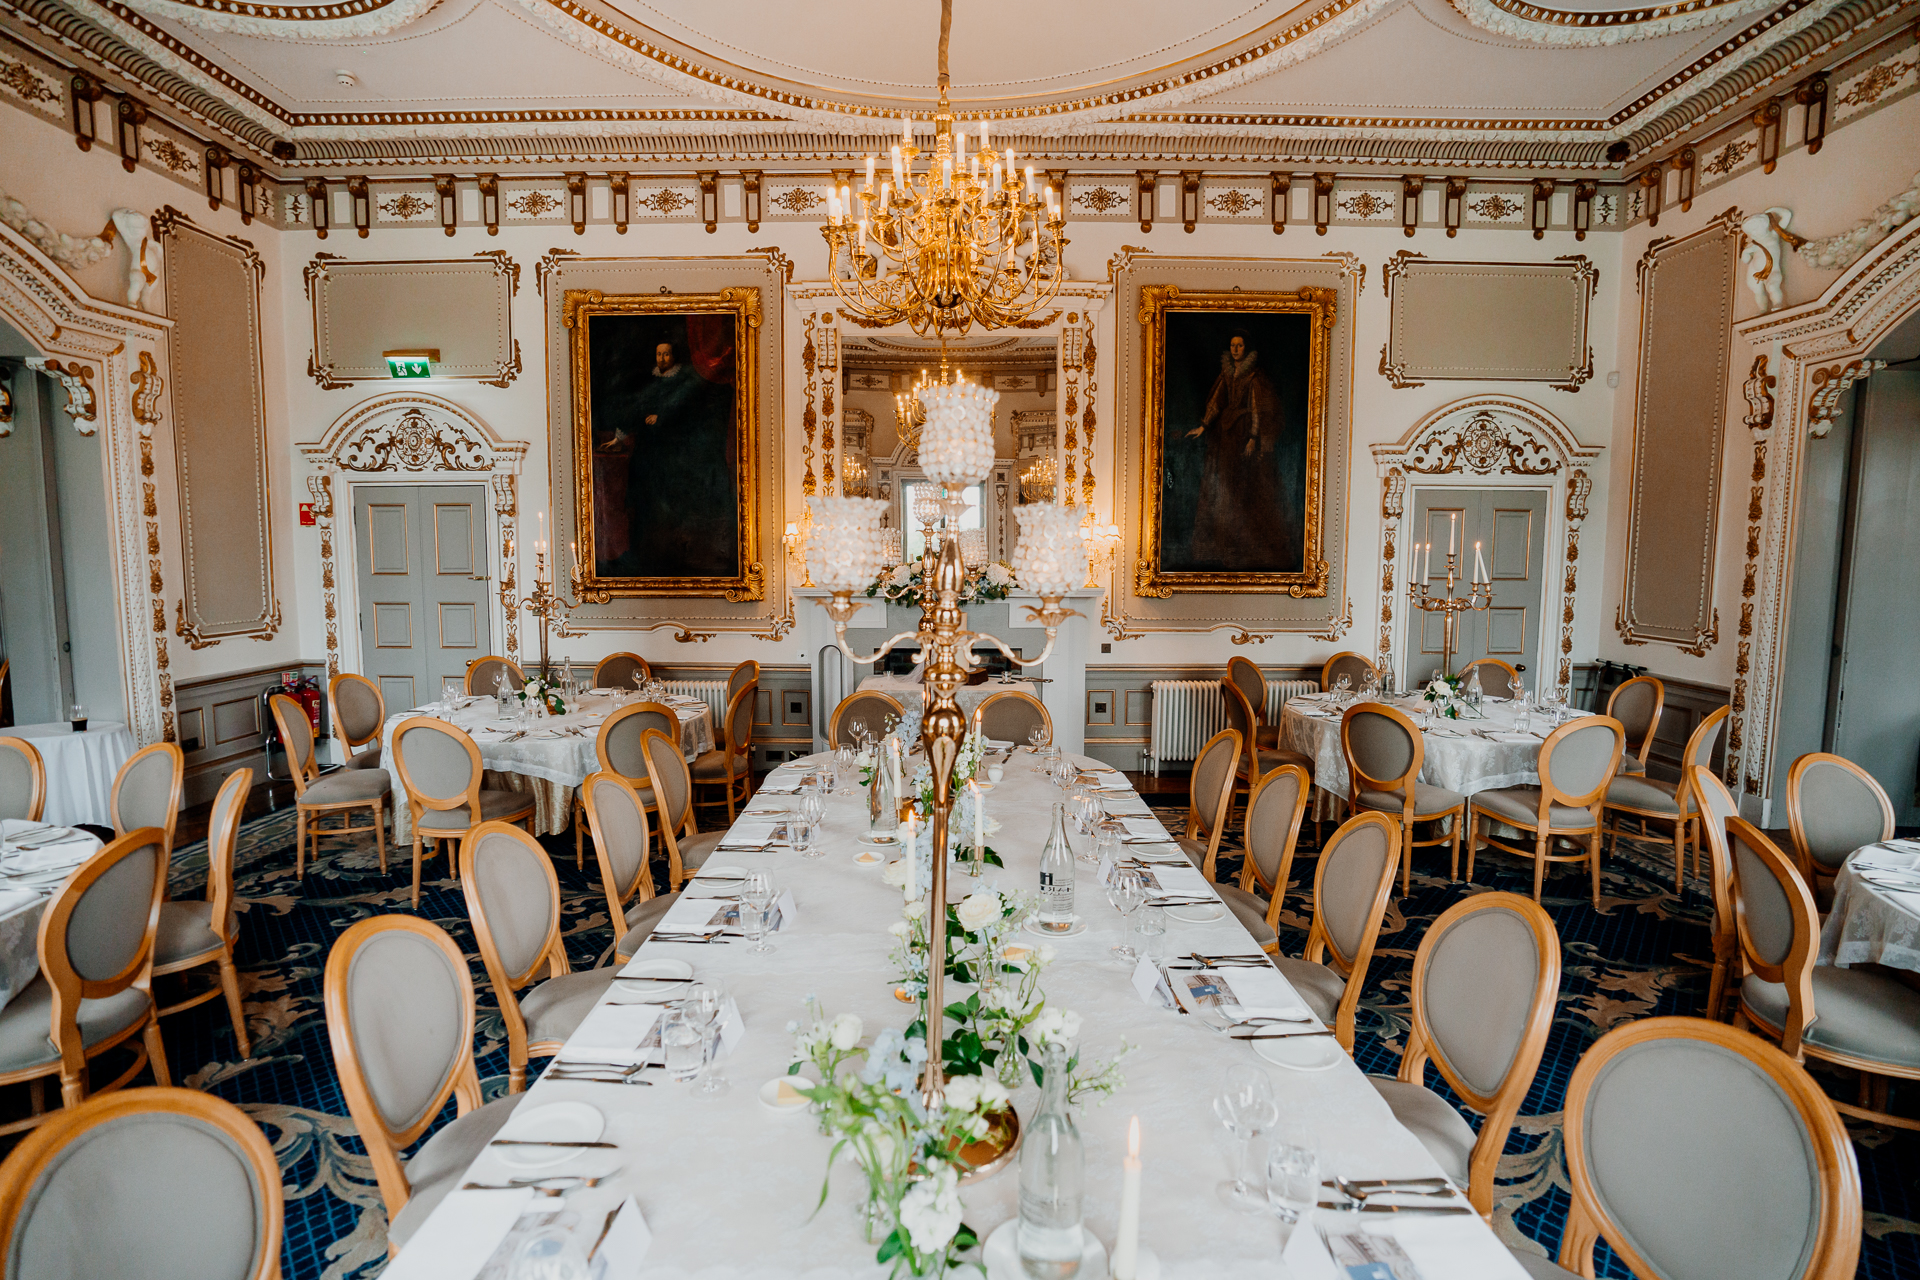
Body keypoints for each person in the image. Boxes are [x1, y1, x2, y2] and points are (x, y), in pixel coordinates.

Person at [1183, 332, 1297, 570]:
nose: (1235, 349)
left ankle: (1245, 547)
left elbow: (1257, 408)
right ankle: (1223, 546)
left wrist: (1253, 438)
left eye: (1240, 345)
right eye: (1232, 345)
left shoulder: (1254, 376)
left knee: (1245, 488)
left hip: (1245, 434)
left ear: (1247, 348)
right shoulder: (1226, 374)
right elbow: (1216, 402)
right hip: (1226, 435)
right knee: (1223, 486)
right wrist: (1203, 426)